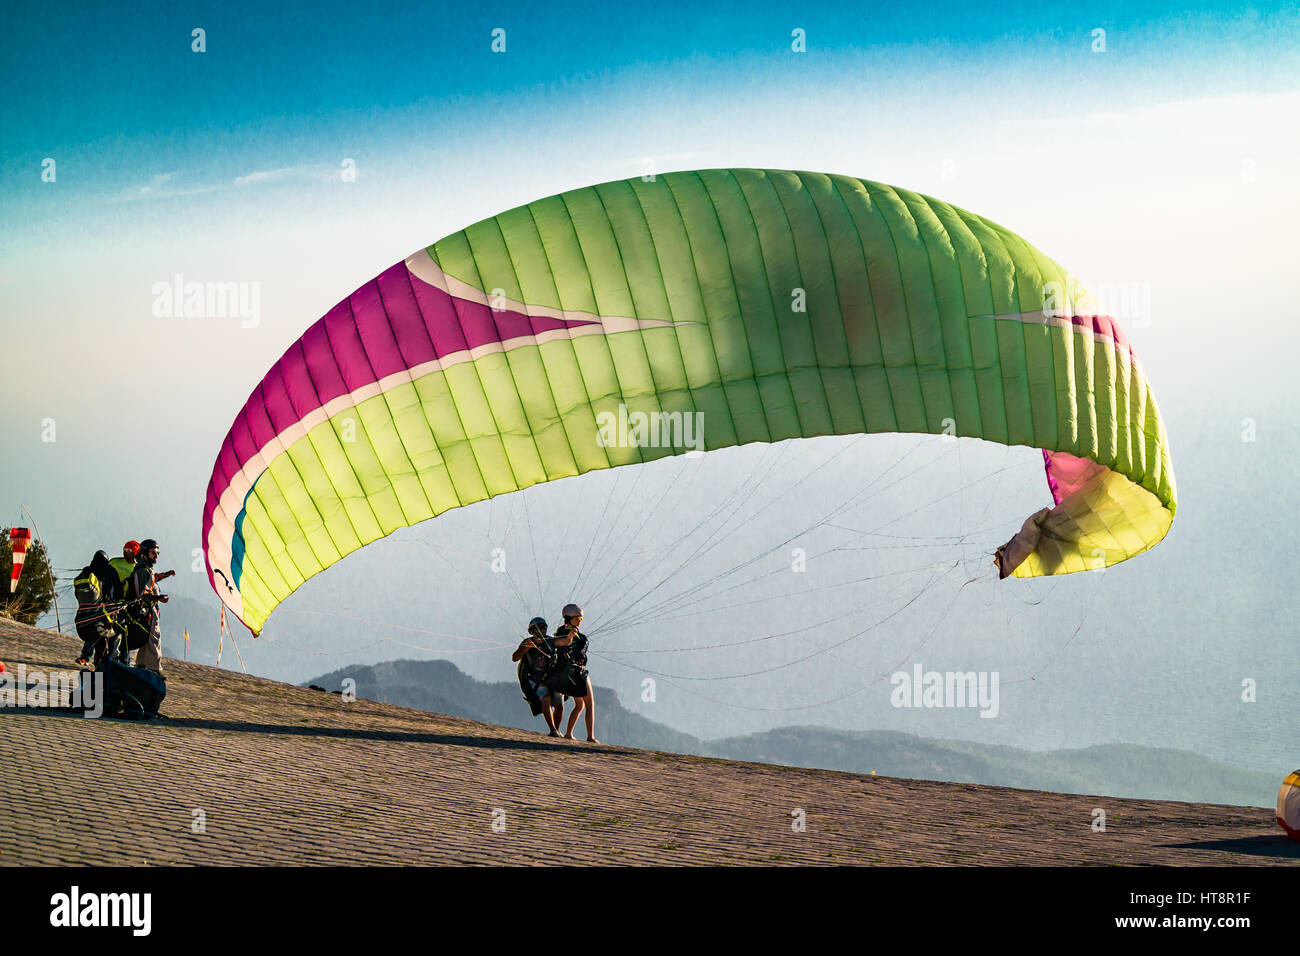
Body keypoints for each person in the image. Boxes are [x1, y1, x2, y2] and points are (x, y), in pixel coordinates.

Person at [121, 538, 173, 674]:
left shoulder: (145, 569)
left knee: (147, 641)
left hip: (146, 612)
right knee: (154, 638)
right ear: (144, 554)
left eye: (157, 553)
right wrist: (159, 598)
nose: (156, 555)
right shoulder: (143, 570)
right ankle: (153, 670)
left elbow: (153, 579)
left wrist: (166, 574)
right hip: (145, 612)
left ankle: (141, 666)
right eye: (153, 553)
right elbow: (142, 594)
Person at [553, 603, 598, 743]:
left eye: (581, 619)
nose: (579, 621)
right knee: (589, 705)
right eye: (578, 619)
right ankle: (590, 736)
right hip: (578, 673)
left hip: (566, 675)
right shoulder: (575, 637)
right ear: (569, 618)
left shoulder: (559, 633)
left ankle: (568, 733)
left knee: (580, 705)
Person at [512, 617, 563, 736]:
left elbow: (564, 643)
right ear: (532, 630)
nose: (542, 630)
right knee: (546, 699)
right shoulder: (527, 642)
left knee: (559, 705)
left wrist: (571, 636)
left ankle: (557, 729)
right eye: (539, 627)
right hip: (535, 679)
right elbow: (515, 658)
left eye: (543, 627)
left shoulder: (551, 641)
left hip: (552, 678)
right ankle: (553, 730)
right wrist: (525, 649)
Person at [73, 551, 123, 668]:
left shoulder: (87, 571)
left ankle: (85, 656)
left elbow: (78, 593)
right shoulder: (111, 571)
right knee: (103, 635)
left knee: (92, 631)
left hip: (86, 610)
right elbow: (118, 591)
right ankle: (100, 662)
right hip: (106, 610)